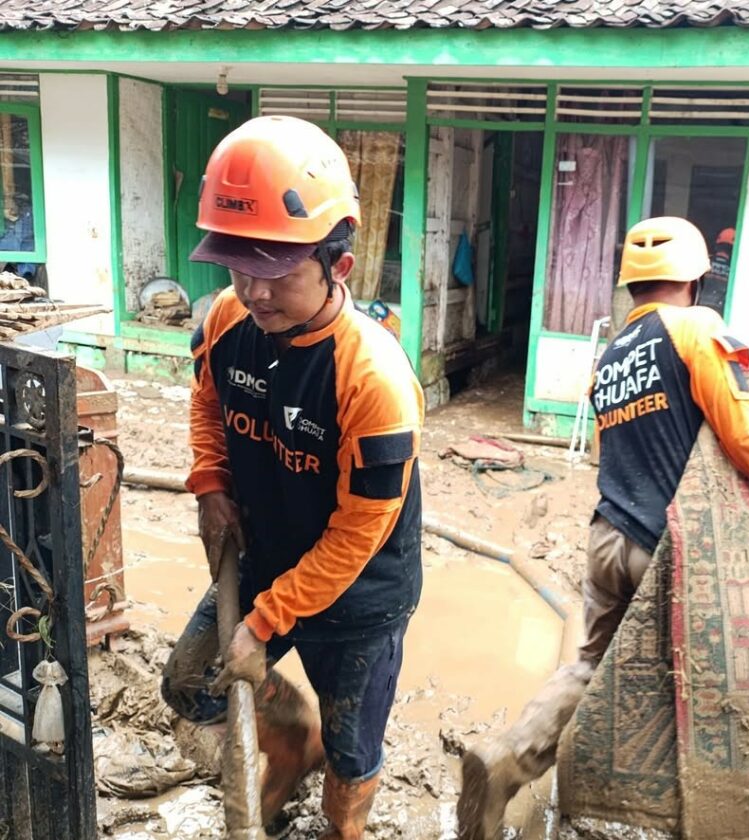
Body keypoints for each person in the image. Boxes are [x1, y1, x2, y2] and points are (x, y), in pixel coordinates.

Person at [456, 217, 749, 840]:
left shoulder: (612, 355)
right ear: (695, 281)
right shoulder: (698, 329)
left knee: (588, 665)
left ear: (631, 286)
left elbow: (605, 451)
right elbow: (741, 428)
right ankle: (698, 814)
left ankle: (507, 759)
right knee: (709, 678)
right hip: (668, 551)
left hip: (608, 536)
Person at [160, 116, 424, 840]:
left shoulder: (374, 380)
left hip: (360, 590)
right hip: (270, 554)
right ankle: (291, 739)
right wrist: (211, 483)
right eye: (238, 270)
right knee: (189, 684)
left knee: (353, 749)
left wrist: (265, 621)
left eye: (276, 275)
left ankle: (343, 820)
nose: (254, 293)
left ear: (338, 265)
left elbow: (358, 531)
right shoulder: (225, 319)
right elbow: (208, 402)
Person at [698, 226, 734, 315]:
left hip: (698, 309)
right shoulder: (735, 270)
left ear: (717, 244)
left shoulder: (703, 261)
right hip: (719, 314)